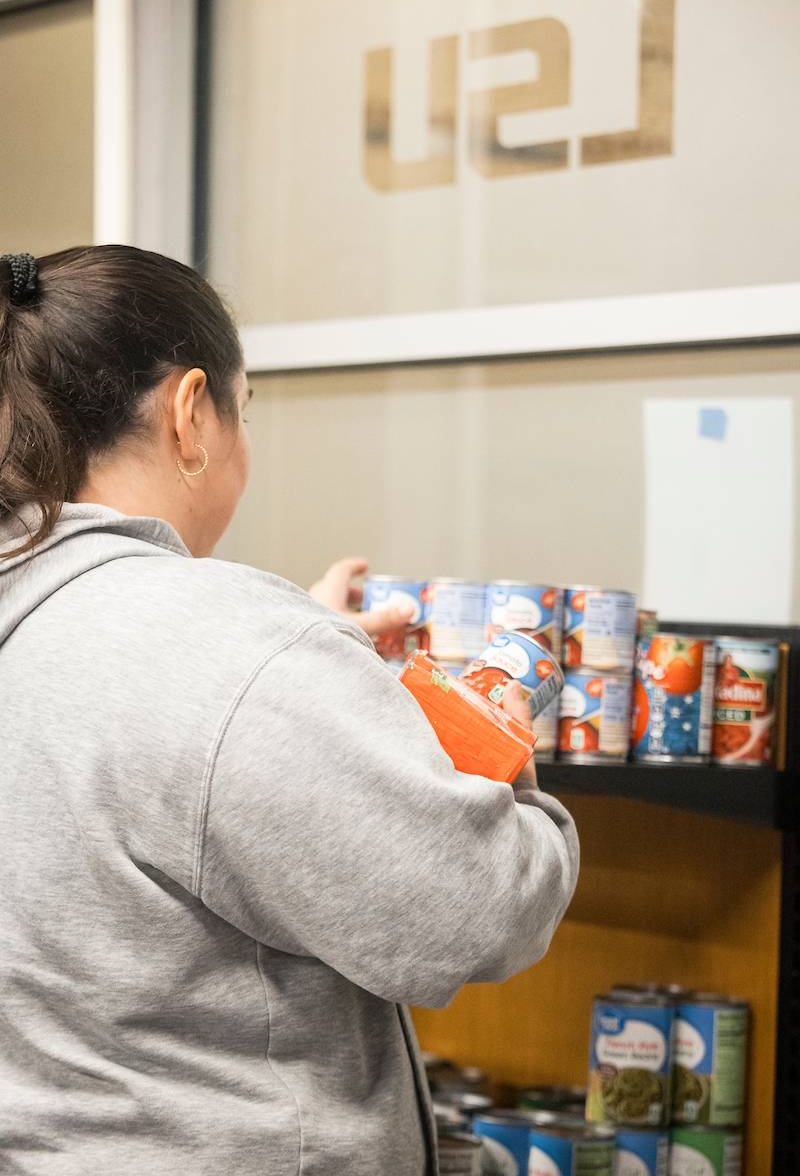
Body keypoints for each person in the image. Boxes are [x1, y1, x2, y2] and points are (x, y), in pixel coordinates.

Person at [0, 246, 579, 1176]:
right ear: (190, 413)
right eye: (244, 411)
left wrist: (306, 670)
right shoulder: (232, 649)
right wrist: (496, 742)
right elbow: (478, 914)